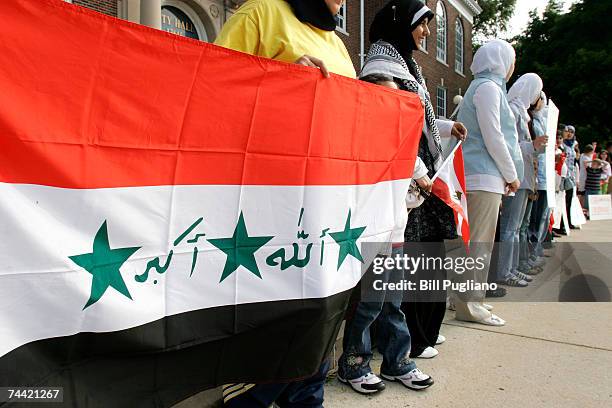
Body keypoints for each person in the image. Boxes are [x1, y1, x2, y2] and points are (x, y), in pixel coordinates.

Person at [214, 1, 354, 406]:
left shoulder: (335, 41)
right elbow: (214, 84)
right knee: (278, 308)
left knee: (320, 308)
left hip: (327, 198)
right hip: (270, 198)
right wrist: (281, 78)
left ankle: (306, 397)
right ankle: (251, 395)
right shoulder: (259, 13)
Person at [359, 0, 467, 359]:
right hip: (401, 180)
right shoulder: (381, 65)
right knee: (395, 272)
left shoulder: (406, 64)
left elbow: (418, 118)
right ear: (401, 24)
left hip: (414, 178)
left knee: (410, 267)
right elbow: (386, 127)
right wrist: (421, 172)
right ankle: (397, 344)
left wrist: (448, 128)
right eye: (421, 23)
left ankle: (411, 338)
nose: (426, 32)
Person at [336, 73, 434, 395]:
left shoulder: (399, 138)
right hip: (371, 236)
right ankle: (353, 364)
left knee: (393, 302)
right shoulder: (358, 137)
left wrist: (422, 180)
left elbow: (413, 163)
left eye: (397, 99)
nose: (392, 106)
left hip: (396, 232)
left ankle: (396, 360)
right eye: (385, 98)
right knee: (369, 304)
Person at [454, 39, 523, 326]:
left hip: (476, 175)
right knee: (478, 245)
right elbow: (494, 136)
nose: (512, 67)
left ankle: (460, 300)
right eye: (512, 60)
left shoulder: (481, 87)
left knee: (468, 244)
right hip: (483, 177)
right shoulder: (489, 89)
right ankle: (471, 306)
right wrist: (512, 175)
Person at [496, 73, 546, 287]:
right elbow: (510, 146)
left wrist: (534, 148)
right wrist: (532, 146)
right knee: (510, 228)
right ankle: (505, 271)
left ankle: (511, 268)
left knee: (515, 228)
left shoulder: (521, 112)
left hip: (524, 176)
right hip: (516, 177)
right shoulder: (513, 110)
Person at [559, 125, 578, 233]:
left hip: (571, 176)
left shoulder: (573, 145)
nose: (570, 133)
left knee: (569, 200)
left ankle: (568, 222)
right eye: (568, 131)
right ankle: (561, 224)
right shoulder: (563, 144)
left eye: (572, 132)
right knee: (563, 201)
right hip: (564, 175)